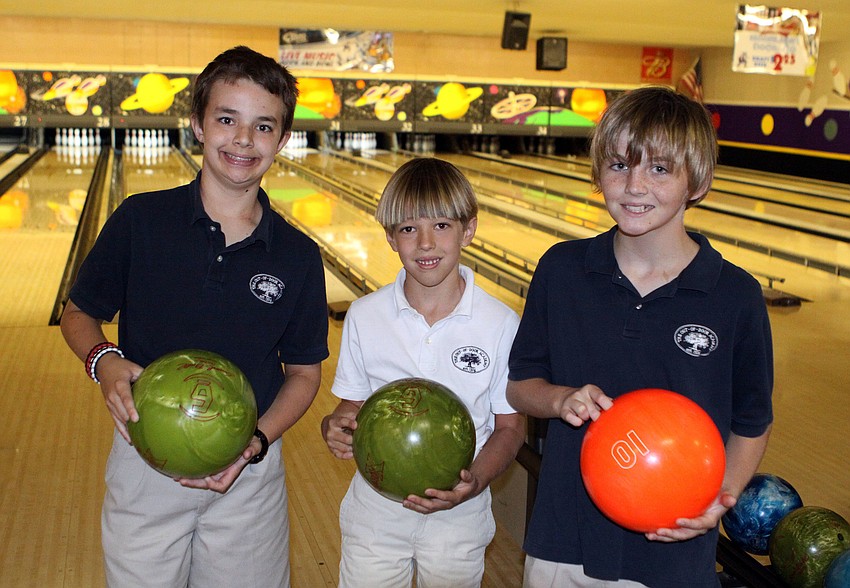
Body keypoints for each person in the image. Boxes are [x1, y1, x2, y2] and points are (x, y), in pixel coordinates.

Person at [60, 46, 329, 587]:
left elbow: (304, 374)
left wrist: (256, 442)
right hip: (145, 457)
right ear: (198, 126)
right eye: (227, 119)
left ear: (281, 140)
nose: (243, 140)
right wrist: (104, 361)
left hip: (250, 468)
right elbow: (79, 313)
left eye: (263, 126)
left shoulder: (298, 256)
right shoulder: (142, 220)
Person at [506, 86, 774, 588]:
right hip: (565, 541)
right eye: (618, 165)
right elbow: (520, 385)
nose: (633, 186)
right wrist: (561, 398)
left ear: (697, 181)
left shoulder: (735, 296)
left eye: (659, 168)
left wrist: (720, 498)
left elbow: (752, 421)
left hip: (674, 547)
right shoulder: (561, 270)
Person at [322, 157, 525, 588]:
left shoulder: (500, 322)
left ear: (468, 230)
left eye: (442, 226)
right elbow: (352, 405)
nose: (426, 243)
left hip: (461, 510)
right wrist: (335, 424)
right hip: (375, 507)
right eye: (410, 228)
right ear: (391, 238)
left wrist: (473, 483)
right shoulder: (364, 315)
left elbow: (510, 427)